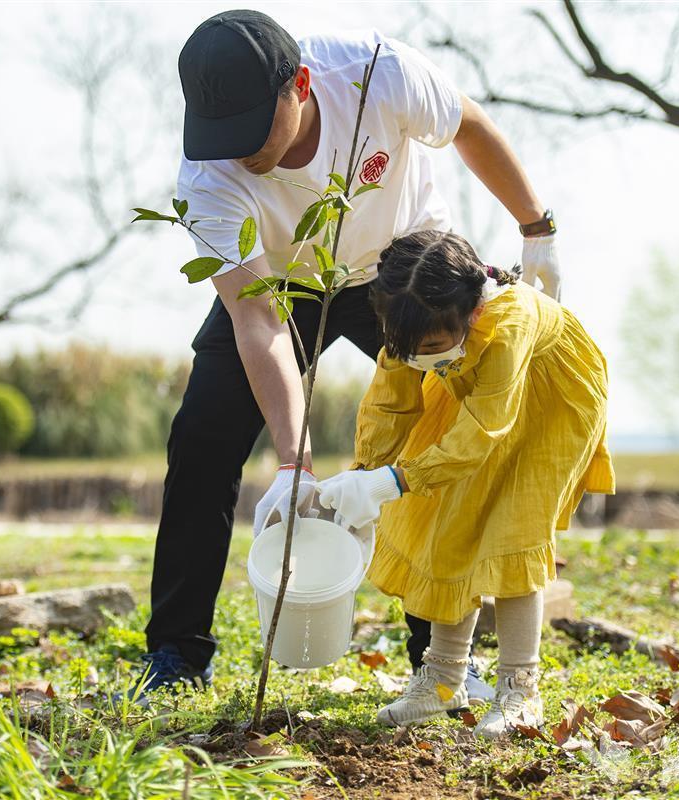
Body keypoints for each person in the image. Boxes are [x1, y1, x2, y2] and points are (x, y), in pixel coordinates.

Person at [132, 9, 564, 705]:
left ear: (300, 84)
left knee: (444, 438)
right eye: (222, 136)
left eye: (251, 129)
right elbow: (256, 317)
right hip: (282, 282)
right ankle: (177, 653)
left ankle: (442, 662)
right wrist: (294, 462)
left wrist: (535, 230)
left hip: (405, 268)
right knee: (202, 439)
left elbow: (471, 127)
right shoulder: (206, 181)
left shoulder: (376, 73)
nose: (240, 153)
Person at [316, 229, 614, 735]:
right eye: (405, 346)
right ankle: (444, 682)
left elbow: (482, 430)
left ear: (472, 312)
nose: (416, 355)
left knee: (512, 531)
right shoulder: (415, 330)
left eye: (430, 346)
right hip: (471, 392)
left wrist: (395, 481)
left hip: (549, 403)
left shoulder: (509, 322)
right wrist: (366, 473)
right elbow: (391, 401)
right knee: (447, 520)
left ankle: (521, 691)